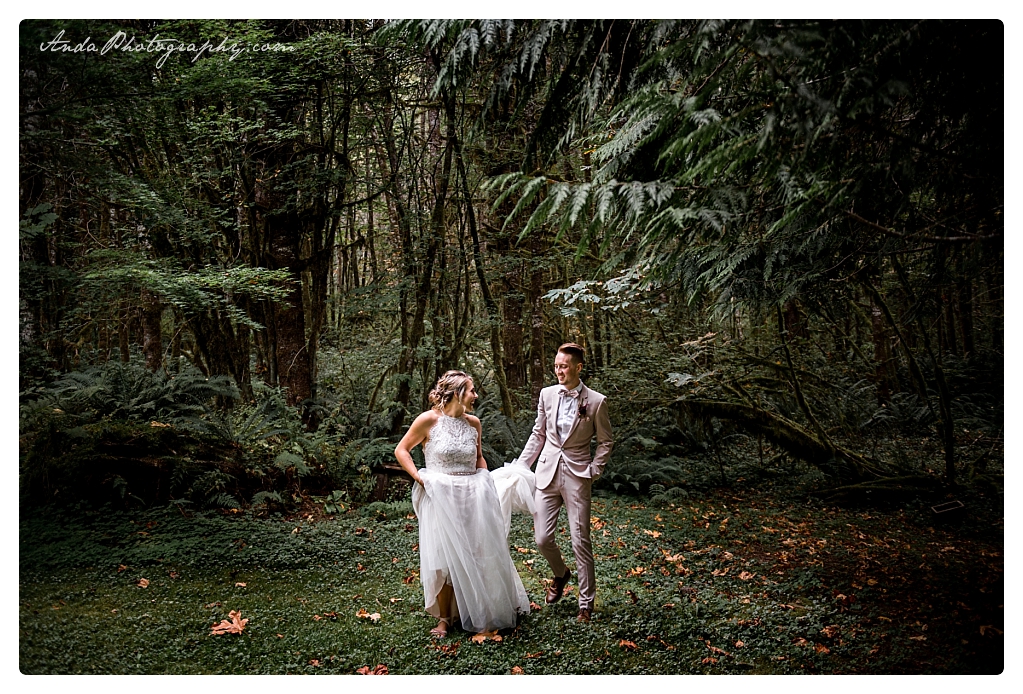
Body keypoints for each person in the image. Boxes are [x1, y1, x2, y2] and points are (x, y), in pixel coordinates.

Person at [394, 370, 530, 638]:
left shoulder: (474, 423)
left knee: (477, 553)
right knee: (443, 556)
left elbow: (478, 457)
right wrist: (419, 477)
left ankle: (480, 610)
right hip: (440, 496)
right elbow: (401, 450)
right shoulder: (428, 420)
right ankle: (444, 619)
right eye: (471, 390)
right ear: (457, 393)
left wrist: (485, 478)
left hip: (472, 497)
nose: (475, 395)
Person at [512, 343, 613, 622]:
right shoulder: (546, 394)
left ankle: (585, 604)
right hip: (546, 472)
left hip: (578, 476)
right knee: (542, 538)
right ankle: (560, 573)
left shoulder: (596, 401)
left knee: (580, 539)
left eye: (564, 366)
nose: (558, 371)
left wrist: (594, 469)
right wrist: (522, 465)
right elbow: (538, 434)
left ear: (578, 368)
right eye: (556, 366)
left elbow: (605, 441)